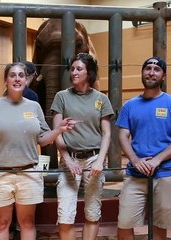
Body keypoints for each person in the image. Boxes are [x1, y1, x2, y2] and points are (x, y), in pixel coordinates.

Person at [0, 62, 77, 240]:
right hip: (0, 174)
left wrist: (59, 129)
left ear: (26, 79)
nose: (17, 79)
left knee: (27, 223)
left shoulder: (34, 107)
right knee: (1, 224)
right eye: (12, 75)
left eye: (21, 75)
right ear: (6, 80)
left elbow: (43, 139)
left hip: (29, 173)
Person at [115, 56, 171, 240]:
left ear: (163, 75)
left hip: (164, 173)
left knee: (159, 226)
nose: (151, 72)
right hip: (135, 174)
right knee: (124, 223)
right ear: (142, 72)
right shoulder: (130, 105)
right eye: (148, 68)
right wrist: (135, 160)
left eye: (156, 70)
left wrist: (157, 159)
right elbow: (123, 135)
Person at [51, 53, 114, 240]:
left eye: (79, 69)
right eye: (72, 69)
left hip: (94, 158)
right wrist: (68, 159)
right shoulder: (61, 97)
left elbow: (107, 133)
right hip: (69, 158)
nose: (74, 72)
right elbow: (56, 132)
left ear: (89, 72)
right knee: (65, 214)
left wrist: (100, 161)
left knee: (93, 212)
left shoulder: (101, 99)